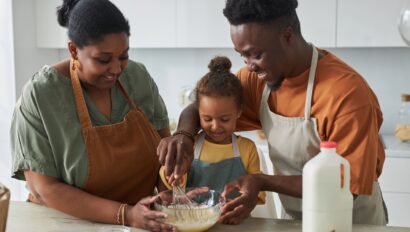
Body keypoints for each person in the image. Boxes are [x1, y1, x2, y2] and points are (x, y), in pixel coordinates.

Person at [157, 0, 387, 226]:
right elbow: (202, 106)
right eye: (242, 56)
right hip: (295, 218)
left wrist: (262, 181)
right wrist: (184, 135)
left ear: (287, 36)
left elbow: (345, 185)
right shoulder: (258, 78)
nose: (249, 66)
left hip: (351, 220)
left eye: (255, 54)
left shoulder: (346, 94)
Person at [10, 0, 175, 231]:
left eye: (123, 56)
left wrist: (168, 194)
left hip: (138, 223)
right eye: (103, 60)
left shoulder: (137, 77)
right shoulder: (41, 95)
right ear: (74, 50)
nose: (117, 69)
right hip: (64, 224)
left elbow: (164, 156)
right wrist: (125, 214)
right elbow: (45, 189)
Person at [159, 56, 265, 205]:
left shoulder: (248, 149)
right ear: (198, 113)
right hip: (195, 224)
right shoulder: (191, 147)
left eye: (224, 119)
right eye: (207, 119)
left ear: (239, 112)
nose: (215, 126)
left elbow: (255, 194)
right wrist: (175, 175)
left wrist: (247, 198)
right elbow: (169, 185)